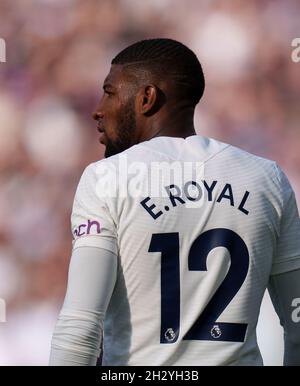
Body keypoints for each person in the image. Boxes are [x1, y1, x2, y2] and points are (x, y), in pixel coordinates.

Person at [49, 38, 300, 366]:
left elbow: (80, 326)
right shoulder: (266, 178)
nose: (98, 109)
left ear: (146, 98)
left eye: (109, 92)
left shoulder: (107, 178)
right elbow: (296, 322)